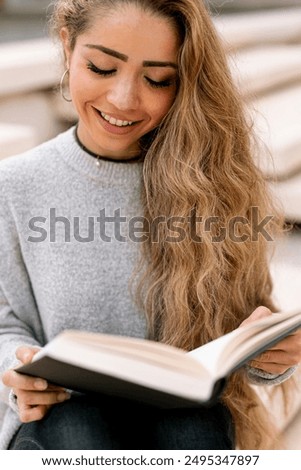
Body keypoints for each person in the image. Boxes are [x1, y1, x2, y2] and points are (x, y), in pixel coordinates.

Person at [0, 0, 300, 451]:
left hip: (178, 417)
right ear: (67, 47)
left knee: (196, 427)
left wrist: (274, 356)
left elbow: (242, 331)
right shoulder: (14, 185)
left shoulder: (214, 185)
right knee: (81, 427)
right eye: (102, 68)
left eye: (157, 79)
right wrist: (18, 368)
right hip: (59, 423)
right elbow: (6, 324)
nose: (123, 100)